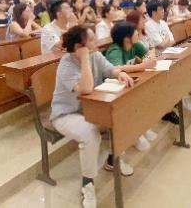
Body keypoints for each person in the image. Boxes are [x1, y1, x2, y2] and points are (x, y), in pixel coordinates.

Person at [50, 25, 134, 207]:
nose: (97, 42)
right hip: (66, 114)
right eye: (91, 40)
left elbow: (110, 69)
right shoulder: (66, 64)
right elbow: (86, 89)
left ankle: (112, 159)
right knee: (90, 132)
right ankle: (87, 183)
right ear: (79, 47)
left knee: (120, 115)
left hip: (90, 108)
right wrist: (84, 59)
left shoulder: (95, 55)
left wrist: (120, 73)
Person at [104, 21, 158, 152]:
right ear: (126, 38)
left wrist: (148, 58)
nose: (138, 33)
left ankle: (142, 128)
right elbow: (116, 69)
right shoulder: (114, 50)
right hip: (112, 90)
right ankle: (134, 134)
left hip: (129, 83)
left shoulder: (135, 44)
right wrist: (143, 66)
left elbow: (149, 54)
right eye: (134, 32)